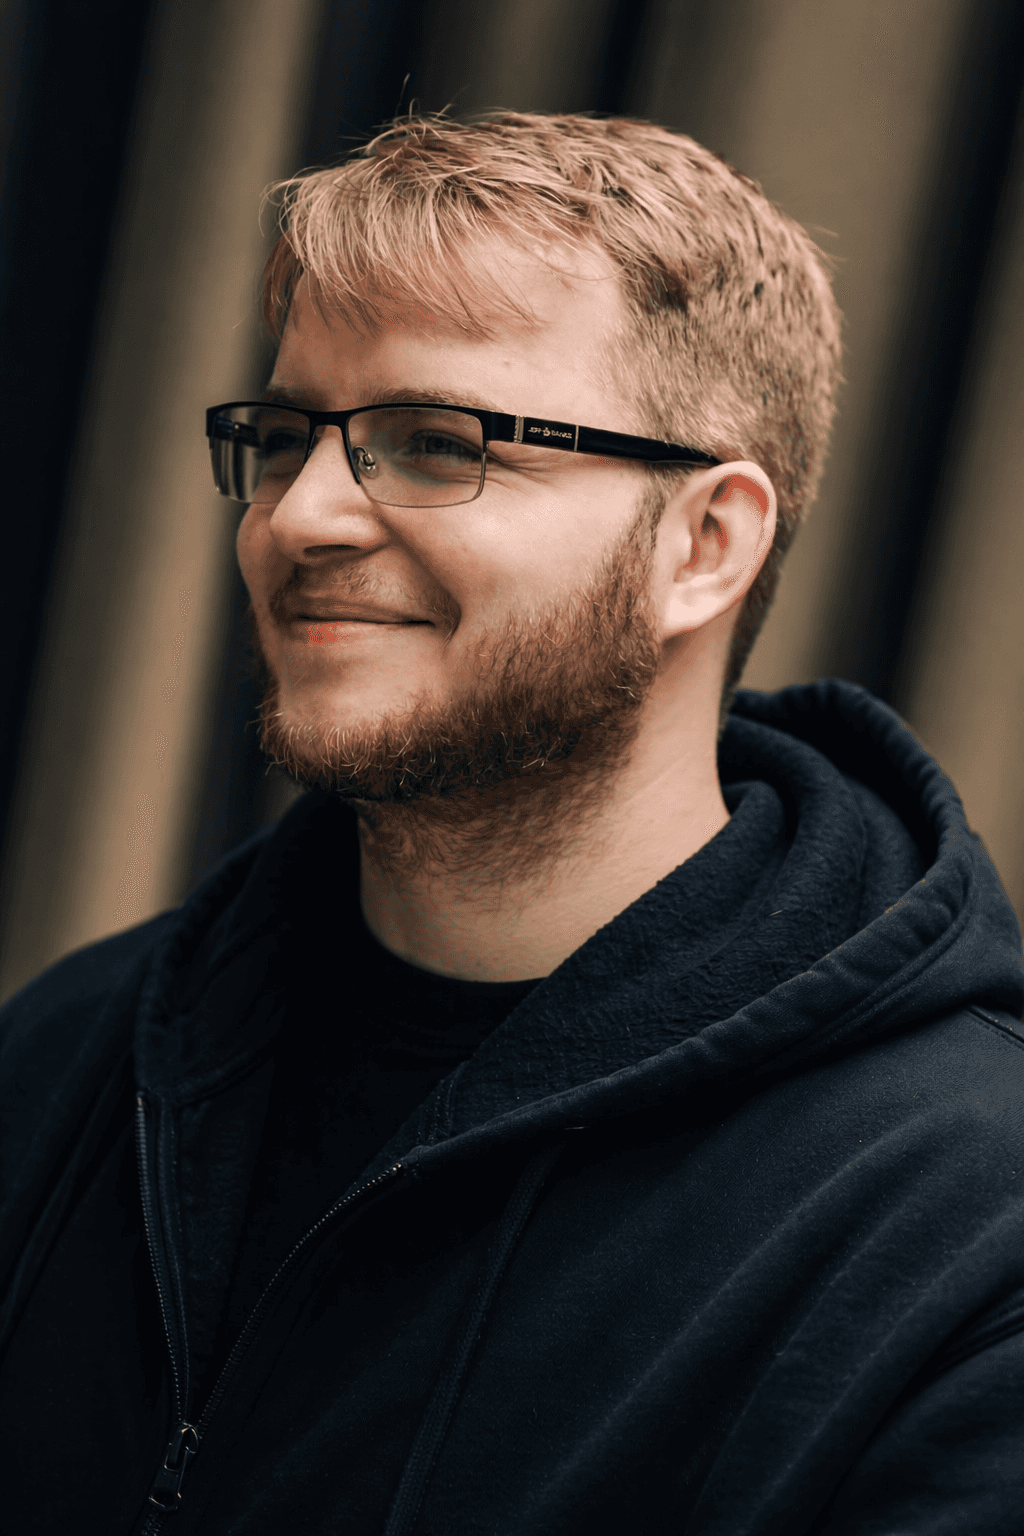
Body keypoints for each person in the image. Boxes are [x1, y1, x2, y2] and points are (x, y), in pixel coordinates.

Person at [1, 111, 1022, 1536]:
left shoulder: (968, 1229)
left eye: (433, 443)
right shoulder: (65, 1061)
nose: (302, 516)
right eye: (288, 436)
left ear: (704, 543)